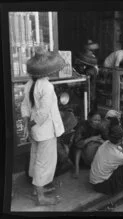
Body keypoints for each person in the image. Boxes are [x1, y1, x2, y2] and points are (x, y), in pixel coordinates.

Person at [21, 46, 65, 206]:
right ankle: (40, 197)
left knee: (36, 158)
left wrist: (28, 125)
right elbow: (43, 113)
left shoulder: (29, 84)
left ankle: (36, 189)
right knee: (44, 162)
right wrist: (32, 124)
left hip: (36, 130)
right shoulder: (46, 86)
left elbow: (25, 107)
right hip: (44, 131)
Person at [72, 110, 108, 178]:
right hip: (80, 154)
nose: (97, 122)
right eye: (95, 120)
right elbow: (77, 143)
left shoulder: (100, 127)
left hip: (90, 154)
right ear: (89, 119)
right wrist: (90, 139)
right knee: (78, 147)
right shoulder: (82, 126)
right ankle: (76, 168)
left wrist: (102, 141)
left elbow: (108, 140)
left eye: (99, 120)